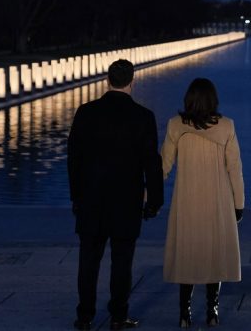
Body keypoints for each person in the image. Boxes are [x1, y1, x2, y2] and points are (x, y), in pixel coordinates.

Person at [67, 59, 164, 331]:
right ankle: (119, 316)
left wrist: (76, 196)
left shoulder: (86, 112)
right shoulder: (143, 116)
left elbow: (74, 158)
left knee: (88, 260)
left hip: (91, 199)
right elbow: (151, 163)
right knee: (122, 262)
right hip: (126, 200)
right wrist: (154, 201)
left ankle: (84, 316)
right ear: (132, 81)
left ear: (107, 80)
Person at [162, 78, 245, 328]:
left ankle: (184, 314)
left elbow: (163, 166)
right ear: (213, 100)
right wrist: (238, 204)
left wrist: (147, 197)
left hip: (186, 200)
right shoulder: (227, 126)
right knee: (213, 255)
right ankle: (212, 311)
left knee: (187, 255)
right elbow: (235, 170)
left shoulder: (175, 125)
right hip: (217, 200)